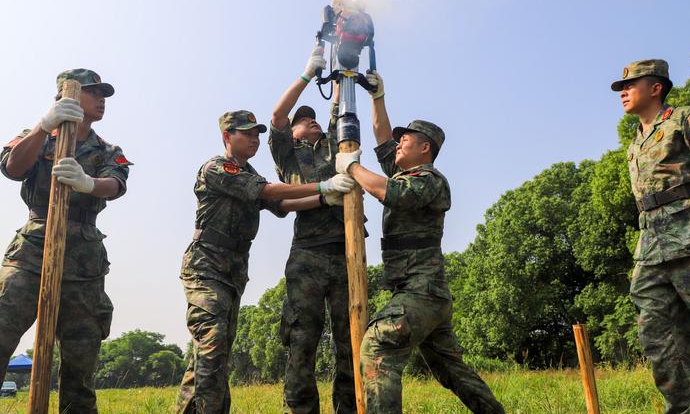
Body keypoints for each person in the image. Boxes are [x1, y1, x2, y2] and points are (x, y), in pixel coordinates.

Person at [335, 73, 505, 413]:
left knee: (377, 348)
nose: (398, 146)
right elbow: (383, 138)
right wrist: (377, 96)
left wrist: (353, 168)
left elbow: (389, 193)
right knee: (450, 370)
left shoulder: (430, 179)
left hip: (421, 291)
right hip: (425, 293)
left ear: (424, 148)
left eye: (406, 141)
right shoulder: (403, 171)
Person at [175, 110, 354, 414]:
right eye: (246, 133)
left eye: (256, 133)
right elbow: (269, 191)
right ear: (226, 136)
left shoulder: (250, 173)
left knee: (211, 353)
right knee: (212, 343)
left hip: (232, 270)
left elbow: (281, 203)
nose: (254, 139)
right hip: (206, 266)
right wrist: (323, 187)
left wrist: (325, 199)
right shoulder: (218, 168)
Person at [0, 69, 131, 413]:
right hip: (31, 251)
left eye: (104, 93)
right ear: (66, 96)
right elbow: (13, 168)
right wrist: (44, 126)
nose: (102, 99)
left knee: (80, 362)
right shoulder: (36, 136)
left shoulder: (107, 149)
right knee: (2, 325)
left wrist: (88, 182)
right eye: (93, 92)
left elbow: (117, 184)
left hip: (84, 261)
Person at [268, 47, 356, 413]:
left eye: (314, 118)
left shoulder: (335, 145)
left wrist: (342, 66)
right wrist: (307, 75)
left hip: (346, 249)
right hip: (307, 254)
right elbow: (277, 116)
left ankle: (350, 408)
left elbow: (339, 106)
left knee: (349, 340)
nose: (312, 121)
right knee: (303, 338)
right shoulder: (288, 154)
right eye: (304, 120)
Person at [613, 59, 690, 413]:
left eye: (631, 85)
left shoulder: (685, 118)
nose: (624, 93)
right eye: (621, 89)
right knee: (659, 337)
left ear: (656, 87)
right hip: (651, 248)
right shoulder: (635, 143)